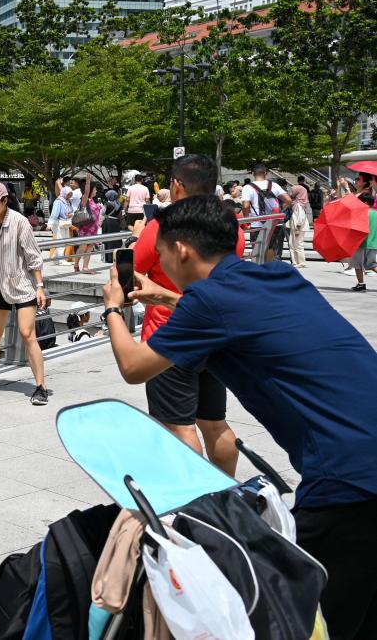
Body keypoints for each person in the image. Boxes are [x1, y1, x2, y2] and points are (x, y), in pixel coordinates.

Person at [103, 195, 377, 640]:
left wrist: (114, 307)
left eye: (162, 249)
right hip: (363, 453)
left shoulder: (209, 301)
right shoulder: (278, 276)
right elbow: (234, 316)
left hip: (349, 476)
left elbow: (134, 367)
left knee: (309, 617)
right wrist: (168, 297)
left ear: (182, 250)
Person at [132, 154, 244, 474]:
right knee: (215, 424)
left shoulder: (162, 227)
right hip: (214, 335)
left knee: (178, 427)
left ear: (178, 186)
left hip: (169, 337)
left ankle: (195, 503)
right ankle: (226, 491)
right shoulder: (229, 227)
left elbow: (131, 277)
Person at [0, 181, 50, 406]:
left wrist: (40, 286)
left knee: (27, 334)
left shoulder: (19, 222)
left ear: (5, 200)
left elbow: (34, 257)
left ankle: (40, 386)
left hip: (21, 284)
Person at [242, 162, 293, 262]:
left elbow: (245, 205)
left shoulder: (248, 187)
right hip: (274, 224)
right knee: (271, 247)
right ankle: (269, 269)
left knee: (257, 249)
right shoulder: (273, 185)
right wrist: (280, 210)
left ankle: (260, 270)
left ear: (253, 173)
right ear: (266, 173)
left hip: (257, 223)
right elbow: (288, 200)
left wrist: (246, 220)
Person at [349, 191, 377, 292]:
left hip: (360, 243)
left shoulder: (361, 213)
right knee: (372, 265)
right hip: (374, 243)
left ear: (365, 203)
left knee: (357, 264)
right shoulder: (376, 214)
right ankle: (360, 284)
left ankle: (361, 285)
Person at [73, 180, 101, 273]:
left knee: (89, 248)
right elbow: (86, 193)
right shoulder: (86, 200)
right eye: (95, 189)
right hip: (86, 228)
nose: (96, 191)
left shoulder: (93, 200)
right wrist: (88, 182)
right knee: (83, 246)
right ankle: (76, 264)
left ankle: (85, 267)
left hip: (94, 228)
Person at [48, 182, 74, 264]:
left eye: (70, 194)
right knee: (61, 241)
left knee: (64, 241)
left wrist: (71, 214)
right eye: (68, 194)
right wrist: (50, 224)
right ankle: (61, 260)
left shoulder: (67, 201)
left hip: (65, 223)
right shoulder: (58, 201)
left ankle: (56, 259)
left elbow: (71, 211)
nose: (69, 196)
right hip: (59, 223)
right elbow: (54, 214)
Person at [288, 177, 312, 268]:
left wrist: (297, 228)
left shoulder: (298, 204)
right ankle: (295, 262)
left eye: (294, 191)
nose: (291, 193)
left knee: (298, 244)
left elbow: (301, 217)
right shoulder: (297, 203)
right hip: (296, 227)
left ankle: (300, 262)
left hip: (298, 227)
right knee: (292, 243)